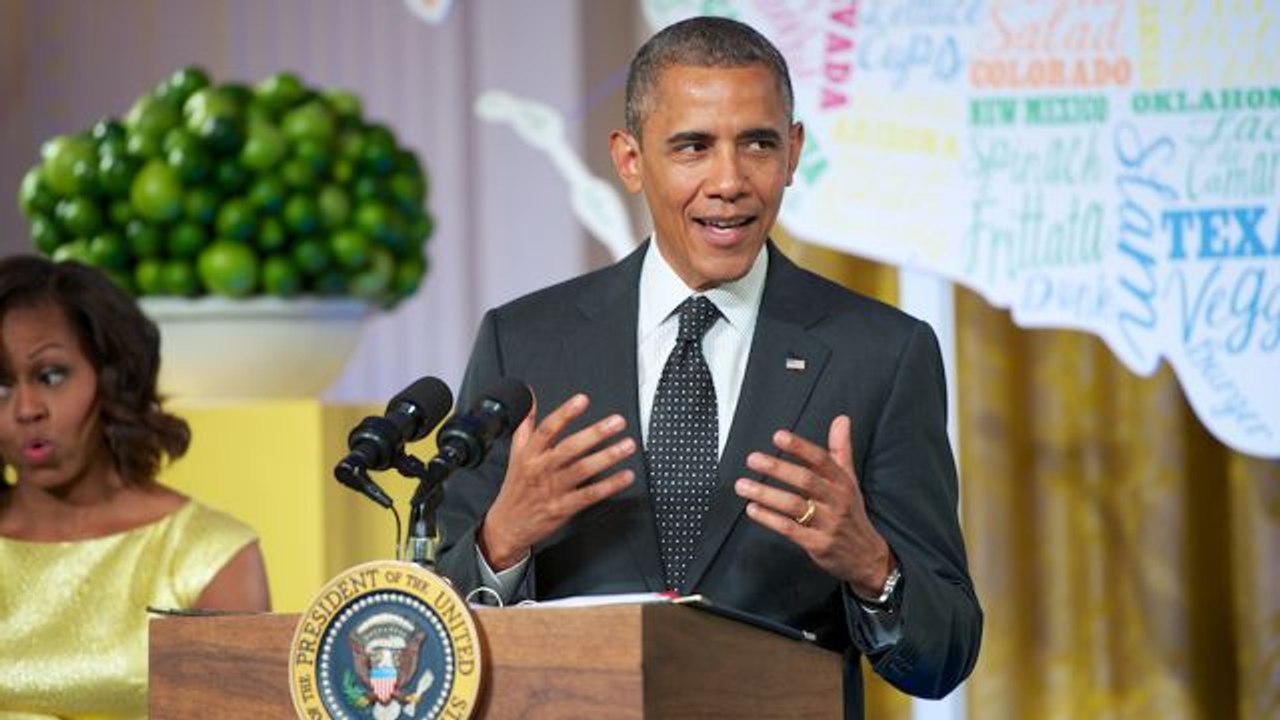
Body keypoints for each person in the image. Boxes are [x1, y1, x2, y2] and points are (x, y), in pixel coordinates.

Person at [437, 16, 981, 717]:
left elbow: (946, 653)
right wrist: (502, 540)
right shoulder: (526, 343)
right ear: (630, 160)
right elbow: (427, 624)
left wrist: (873, 566)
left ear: (793, 153)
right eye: (693, 146)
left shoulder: (881, 352)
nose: (729, 181)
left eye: (756, 144)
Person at [0, 255, 270, 719]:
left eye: (50, 376)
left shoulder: (209, 557)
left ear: (111, 378)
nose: (26, 409)